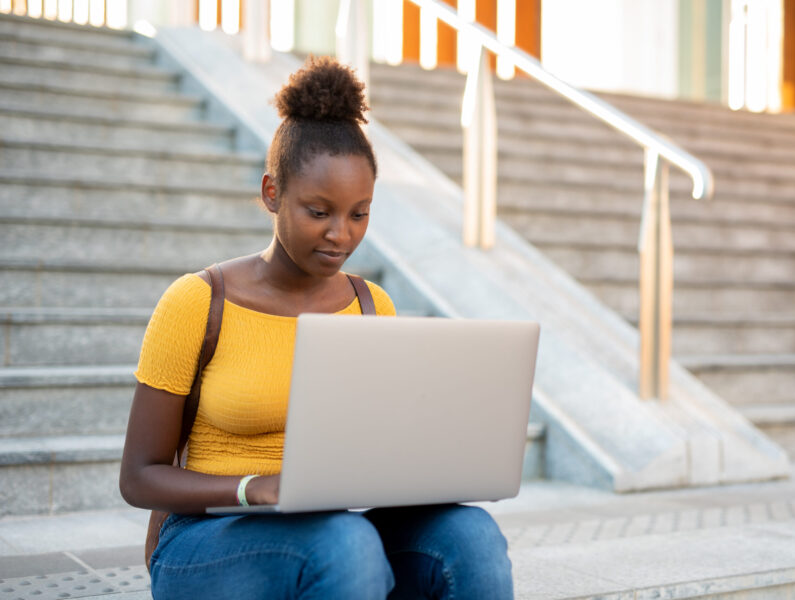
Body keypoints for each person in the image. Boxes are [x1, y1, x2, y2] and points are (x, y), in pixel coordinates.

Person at [119, 56, 514, 599]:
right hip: (207, 537)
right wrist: (252, 488)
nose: (341, 235)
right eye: (318, 211)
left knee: (471, 534)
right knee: (345, 542)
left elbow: (380, 446)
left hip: (333, 530)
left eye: (359, 213)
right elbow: (139, 477)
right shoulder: (198, 301)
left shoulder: (373, 307)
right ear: (272, 193)